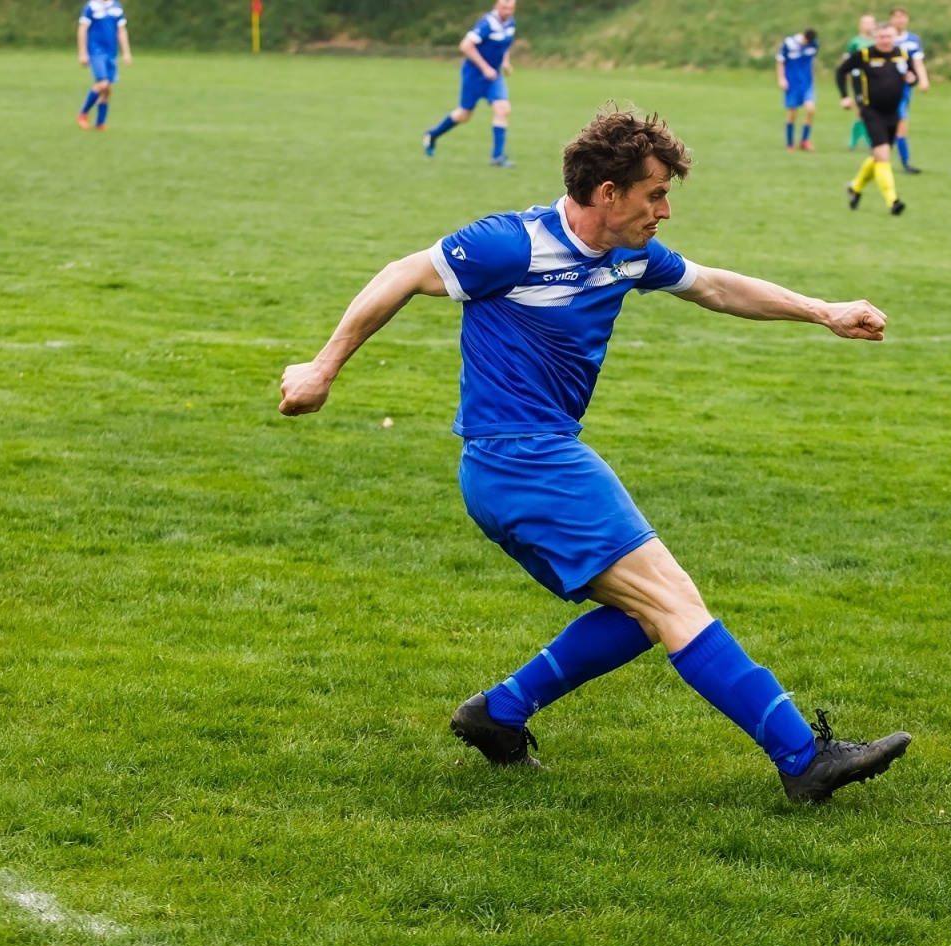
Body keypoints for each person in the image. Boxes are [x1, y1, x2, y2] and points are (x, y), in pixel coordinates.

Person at [279, 108, 912, 803]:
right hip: (524, 460)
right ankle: (802, 759)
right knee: (674, 603)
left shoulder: (628, 255)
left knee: (646, 614)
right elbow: (401, 273)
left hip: (524, 465)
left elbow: (716, 286)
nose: (665, 211)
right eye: (654, 195)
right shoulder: (510, 244)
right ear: (608, 193)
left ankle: (499, 714)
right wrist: (322, 368)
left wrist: (824, 311)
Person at [422, 0, 518, 167]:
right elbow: (466, 45)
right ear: (496, 6)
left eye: (510, 8)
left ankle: (497, 158)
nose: (507, 11)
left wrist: (505, 62)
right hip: (474, 75)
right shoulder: (487, 23)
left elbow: (505, 45)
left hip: (493, 76)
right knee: (464, 114)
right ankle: (433, 134)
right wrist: (485, 67)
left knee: (503, 109)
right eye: (504, 7)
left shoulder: (510, 23)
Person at [836, 22, 918, 216]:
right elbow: (841, 71)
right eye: (881, 37)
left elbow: (911, 75)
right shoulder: (864, 55)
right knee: (882, 156)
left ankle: (855, 188)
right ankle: (893, 201)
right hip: (871, 111)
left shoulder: (902, 55)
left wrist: (912, 79)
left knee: (878, 157)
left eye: (889, 37)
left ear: (894, 37)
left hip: (893, 112)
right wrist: (844, 96)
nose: (885, 41)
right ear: (875, 38)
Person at [76, 0, 132, 131]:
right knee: (103, 83)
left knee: (107, 89)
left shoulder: (116, 7)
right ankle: (83, 113)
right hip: (96, 52)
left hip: (111, 53)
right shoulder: (91, 6)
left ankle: (100, 123)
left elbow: (121, 30)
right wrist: (83, 53)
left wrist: (126, 52)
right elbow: (82, 29)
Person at [888, 7, 930, 174]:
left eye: (902, 17)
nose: (900, 20)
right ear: (891, 19)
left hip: (903, 89)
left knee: (900, 123)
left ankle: (901, 162)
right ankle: (902, 163)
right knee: (898, 122)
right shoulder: (886, 38)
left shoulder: (913, 40)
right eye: (896, 17)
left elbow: (917, 63)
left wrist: (922, 79)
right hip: (885, 88)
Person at [777, 28, 820, 152]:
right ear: (803, 37)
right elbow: (780, 61)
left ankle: (804, 141)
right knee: (792, 113)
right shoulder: (789, 43)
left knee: (810, 110)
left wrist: (812, 77)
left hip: (806, 83)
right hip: (792, 83)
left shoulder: (814, 44)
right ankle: (789, 144)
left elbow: (811, 61)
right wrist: (781, 78)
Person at [843, 14, 877, 150]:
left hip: (875, 79)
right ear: (860, 25)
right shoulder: (855, 42)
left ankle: (868, 138)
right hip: (858, 78)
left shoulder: (877, 41)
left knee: (872, 109)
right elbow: (846, 62)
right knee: (861, 109)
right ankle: (857, 139)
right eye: (866, 23)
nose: (869, 26)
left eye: (871, 23)